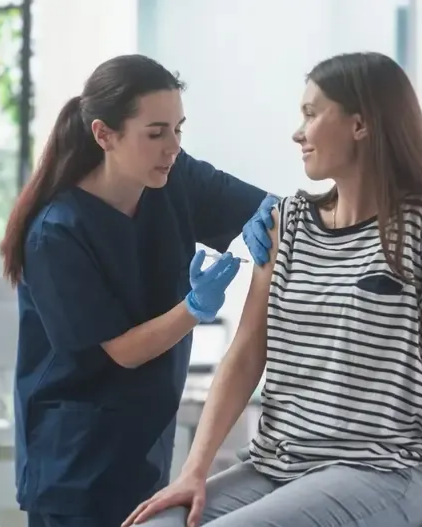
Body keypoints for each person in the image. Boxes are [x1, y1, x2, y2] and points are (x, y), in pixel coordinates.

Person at [123, 51, 422, 527]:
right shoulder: (291, 222)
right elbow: (246, 352)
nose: (297, 132)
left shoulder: (412, 232)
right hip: (277, 463)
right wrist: (192, 473)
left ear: (360, 125)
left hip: (378, 467)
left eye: (310, 113)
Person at [0, 54, 276, 527]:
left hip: (144, 447)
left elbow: (274, 210)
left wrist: (271, 216)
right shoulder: (55, 232)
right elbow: (123, 352)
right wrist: (194, 309)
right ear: (104, 135)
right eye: (155, 133)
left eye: (178, 129)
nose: (172, 147)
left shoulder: (175, 179)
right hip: (73, 463)